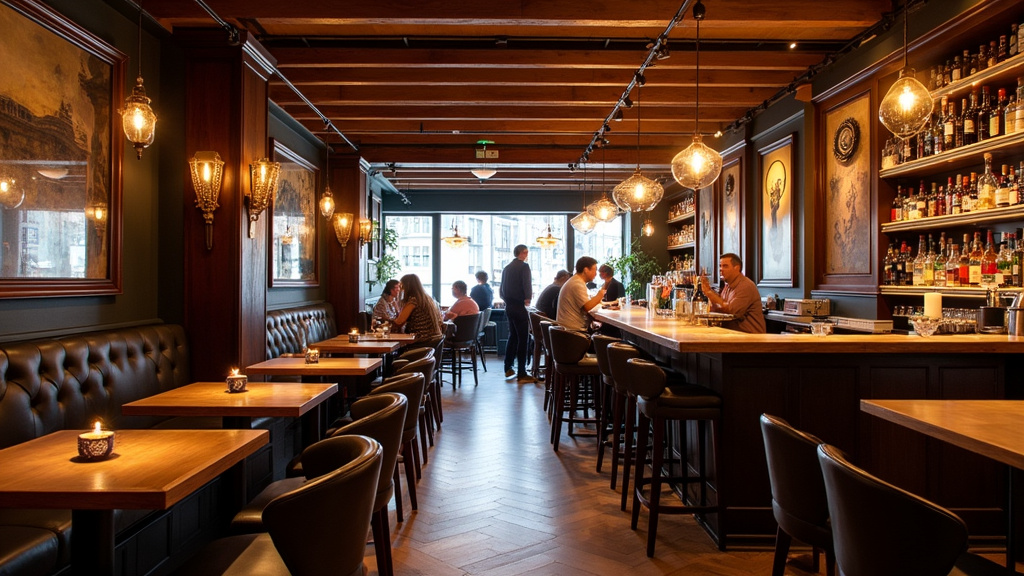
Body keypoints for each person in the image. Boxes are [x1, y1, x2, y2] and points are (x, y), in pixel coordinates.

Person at [700, 253, 766, 334]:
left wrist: (710, 293)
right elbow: (719, 309)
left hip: (749, 337)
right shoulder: (727, 286)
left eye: (725, 266)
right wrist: (709, 297)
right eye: (720, 266)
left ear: (737, 268)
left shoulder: (746, 286)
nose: (721, 269)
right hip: (734, 335)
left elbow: (732, 311)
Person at [500, 244, 534, 383]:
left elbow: (501, 289)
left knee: (513, 337)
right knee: (523, 339)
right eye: (526, 252)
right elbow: (527, 284)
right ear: (523, 253)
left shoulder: (507, 268)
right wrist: (528, 298)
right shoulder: (524, 267)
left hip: (509, 307)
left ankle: (508, 368)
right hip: (520, 307)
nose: (527, 255)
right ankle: (522, 373)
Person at [557, 256, 609, 332]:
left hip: (567, 329)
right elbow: (587, 307)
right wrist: (600, 295)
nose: (596, 274)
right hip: (573, 332)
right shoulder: (577, 283)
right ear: (586, 270)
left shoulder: (576, 281)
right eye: (595, 270)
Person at [393, 273, 443, 342]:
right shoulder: (427, 299)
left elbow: (399, 322)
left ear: (407, 287)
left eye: (401, 286)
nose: (400, 289)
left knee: (398, 350)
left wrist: (386, 321)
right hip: (434, 340)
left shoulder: (413, 300)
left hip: (422, 341)